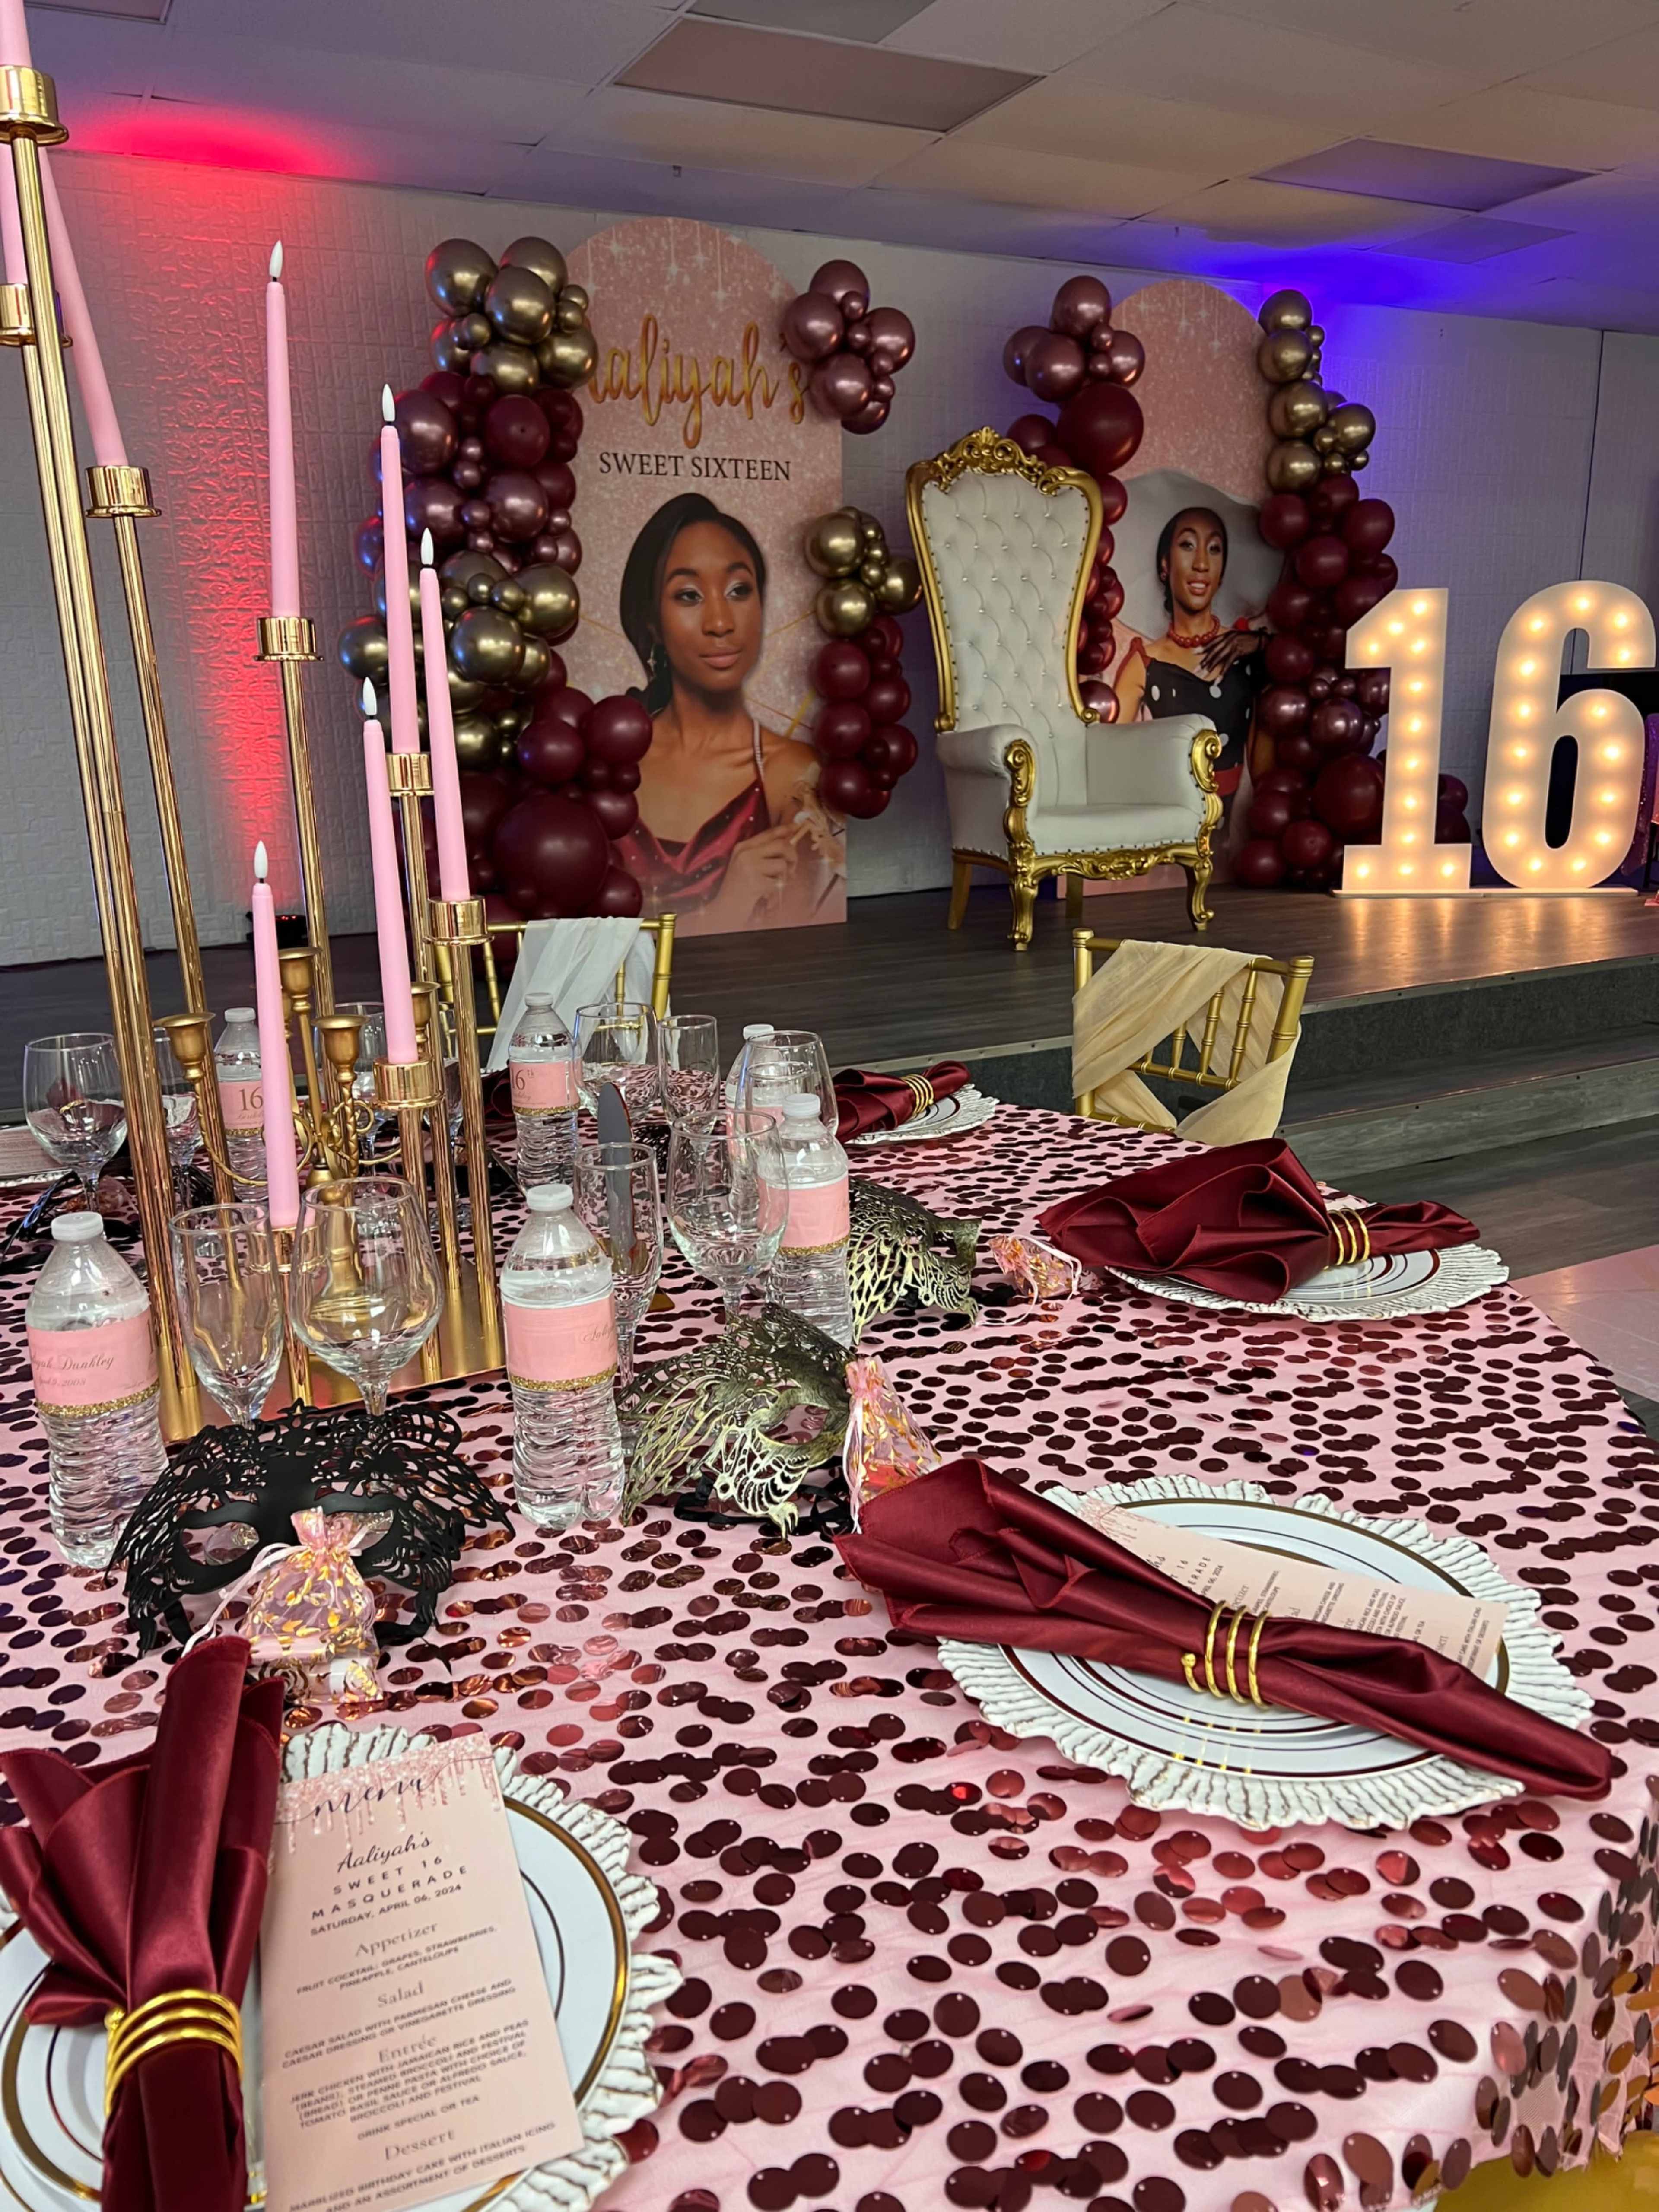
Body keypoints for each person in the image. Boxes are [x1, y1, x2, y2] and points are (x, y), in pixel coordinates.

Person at [613, 492, 839, 933]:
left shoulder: (790, 774)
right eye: (689, 595)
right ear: (652, 623)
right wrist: (725, 906)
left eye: (739, 590)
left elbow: (798, 952)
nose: (721, 622)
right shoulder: (613, 763)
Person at [1114, 505, 1265, 815]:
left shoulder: (1249, 653)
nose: (1201, 564)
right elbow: (1107, 761)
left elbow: (1267, 779)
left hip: (1226, 847)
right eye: (1187, 545)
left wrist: (1267, 647)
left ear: (1222, 572)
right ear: (1165, 565)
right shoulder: (1144, 662)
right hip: (1163, 835)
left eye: (1214, 549)